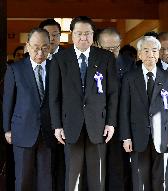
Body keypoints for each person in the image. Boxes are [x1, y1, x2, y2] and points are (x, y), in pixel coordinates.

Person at [49, 16, 118, 191]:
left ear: (93, 35)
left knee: (97, 178)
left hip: (99, 124)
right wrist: (57, 125)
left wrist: (110, 122)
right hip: (70, 124)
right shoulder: (60, 59)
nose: (83, 38)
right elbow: (54, 96)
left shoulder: (106, 57)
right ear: (72, 35)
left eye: (87, 33)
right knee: (72, 178)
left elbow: (112, 94)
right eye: (79, 33)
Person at [119, 36, 168, 191]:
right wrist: (126, 137)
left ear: (158, 54)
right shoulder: (129, 78)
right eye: (146, 51)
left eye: (154, 50)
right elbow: (124, 109)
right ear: (139, 54)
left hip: (163, 137)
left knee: (162, 181)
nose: (150, 54)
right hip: (137, 136)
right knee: (140, 180)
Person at [3, 28, 57, 191]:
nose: (40, 53)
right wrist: (7, 129)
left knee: (46, 177)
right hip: (22, 129)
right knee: (23, 177)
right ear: (27, 46)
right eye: (36, 48)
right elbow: (8, 101)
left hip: (49, 131)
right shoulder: (15, 69)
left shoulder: (56, 68)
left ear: (50, 47)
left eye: (45, 48)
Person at [97, 27, 133, 191]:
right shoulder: (93, 62)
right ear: (98, 45)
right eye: (107, 49)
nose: (111, 52)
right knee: (96, 168)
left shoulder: (129, 63)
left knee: (119, 168)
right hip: (97, 123)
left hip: (121, 124)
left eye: (115, 48)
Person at [39, 18, 65, 191]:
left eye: (56, 35)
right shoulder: (34, 57)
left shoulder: (69, 57)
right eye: (48, 35)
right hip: (40, 126)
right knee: (43, 170)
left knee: (63, 167)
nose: (52, 39)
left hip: (65, 122)